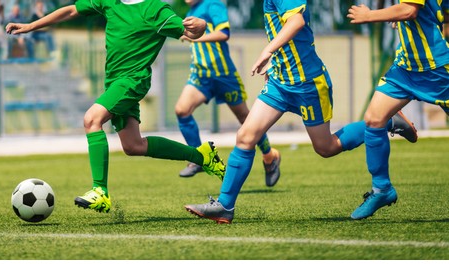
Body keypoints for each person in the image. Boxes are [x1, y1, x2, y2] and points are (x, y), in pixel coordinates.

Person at [185, 0, 418, 224]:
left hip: (309, 84)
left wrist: (267, 51)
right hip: (280, 83)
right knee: (246, 136)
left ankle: (388, 122)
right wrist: (275, 59)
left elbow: (296, 22)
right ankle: (225, 206)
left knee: (326, 147)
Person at [7, 0, 222, 214]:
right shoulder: (109, 2)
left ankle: (100, 191)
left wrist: (200, 26)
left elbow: (189, 32)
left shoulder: (155, 9)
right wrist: (30, 26)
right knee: (133, 145)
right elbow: (71, 10)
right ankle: (202, 156)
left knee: (92, 119)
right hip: (114, 83)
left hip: (133, 80)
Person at [346, 1, 449, 219]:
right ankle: (382, 189)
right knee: (374, 119)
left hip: (437, 70)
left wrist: (370, 15)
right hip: (405, 69)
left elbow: (410, 10)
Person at [175, 0, 280, 186]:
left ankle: (269, 156)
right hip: (200, 75)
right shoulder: (191, 10)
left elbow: (224, 33)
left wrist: (195, 37)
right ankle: (198, 157)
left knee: (246, 120)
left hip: (224, 75)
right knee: (182, 110)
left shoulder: (213, 4)